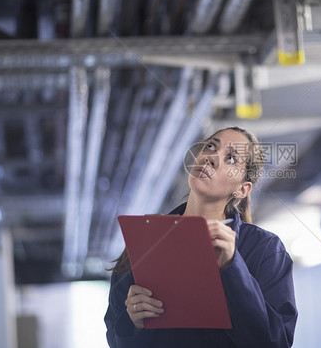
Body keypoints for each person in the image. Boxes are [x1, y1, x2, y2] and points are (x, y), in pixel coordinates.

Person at [104, 126, 298, 347]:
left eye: (231, 158)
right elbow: (115, 340)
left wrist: (232, 267)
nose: (212, 158)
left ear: (242, 189)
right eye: (210, 146)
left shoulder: (265, 249)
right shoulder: (144, 241)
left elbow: (275, 342)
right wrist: (132, 324)